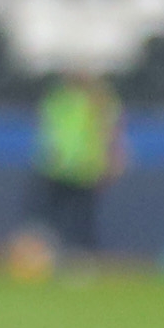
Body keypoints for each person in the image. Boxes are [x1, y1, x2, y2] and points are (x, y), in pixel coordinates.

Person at [34, 71, 121, 264]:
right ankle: (52, 256)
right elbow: (47, 128)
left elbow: (111, 131)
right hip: (57, 168)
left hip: (85, 168)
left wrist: (111, 160)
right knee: (53, 217)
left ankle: (82, 258)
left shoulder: (98, 99)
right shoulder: (57, 98)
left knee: (82, 217)